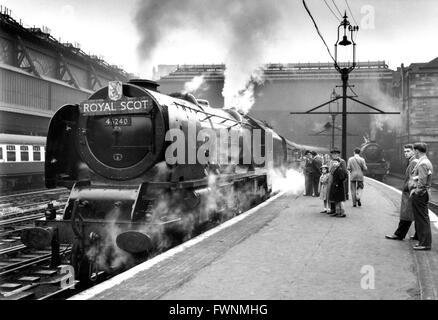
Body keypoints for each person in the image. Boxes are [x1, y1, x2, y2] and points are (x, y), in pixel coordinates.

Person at [386, 144, 418, 241]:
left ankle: (399, 234)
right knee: (414, 213)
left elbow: (412, 178)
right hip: (411, 191)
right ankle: (418, 235)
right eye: (404, 152)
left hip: (409, 192)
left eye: (408, 151)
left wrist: (405, 187)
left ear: (413, 151)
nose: (405, 153)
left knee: (406, 213)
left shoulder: (413, 162)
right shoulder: (412, 161)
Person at [410, 142, 433, 250]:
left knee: (422, 219)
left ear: (417, 151)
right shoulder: (426, 161)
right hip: (424, 193)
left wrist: (415, 191)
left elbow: (422, 182)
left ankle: (424, 244)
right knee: (422, 218)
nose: (414, 152)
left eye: (414, 150)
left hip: (421, 195)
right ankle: (423, 240)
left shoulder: (423, 163)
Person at [327, 147, 347, 215]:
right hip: (331, 179)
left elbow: (344, 172)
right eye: (333, 154)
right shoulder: (331, 161)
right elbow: (329, 170)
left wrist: (342, 181)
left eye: (335, 153)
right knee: (331, 194)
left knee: (338, 196)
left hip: (338, 180)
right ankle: (333, 209)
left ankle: (339, 211)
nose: (334, 155)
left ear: (338, 154)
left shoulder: (342, 161)